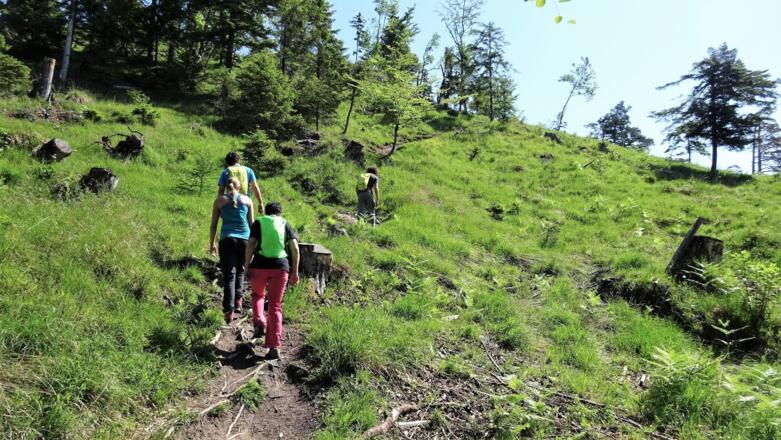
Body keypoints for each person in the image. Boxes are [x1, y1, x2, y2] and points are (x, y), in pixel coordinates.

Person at [244, 202, 300, 360]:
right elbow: (295, 248)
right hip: (280, 267)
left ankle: (260, 323)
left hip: (259, 266)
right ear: (279, 213)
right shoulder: (284, 223)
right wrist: (295, 271)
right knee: (275, 306)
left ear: (267, 212)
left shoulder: (259, 222)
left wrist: (246, 266)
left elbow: (250, 245)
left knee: (257, 296)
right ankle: (274, 347)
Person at [210, 177, 254, 323]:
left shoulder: (219, 201)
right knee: (241, 270)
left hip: (227, 239)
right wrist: (254, 245)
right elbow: (252, 225)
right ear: (239, 186)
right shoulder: (247, 201)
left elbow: (213, 225)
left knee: (229, 275)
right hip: (244, 240)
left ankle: (228, 311)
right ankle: (238, 303)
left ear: (227, 186)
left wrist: (212, 244)